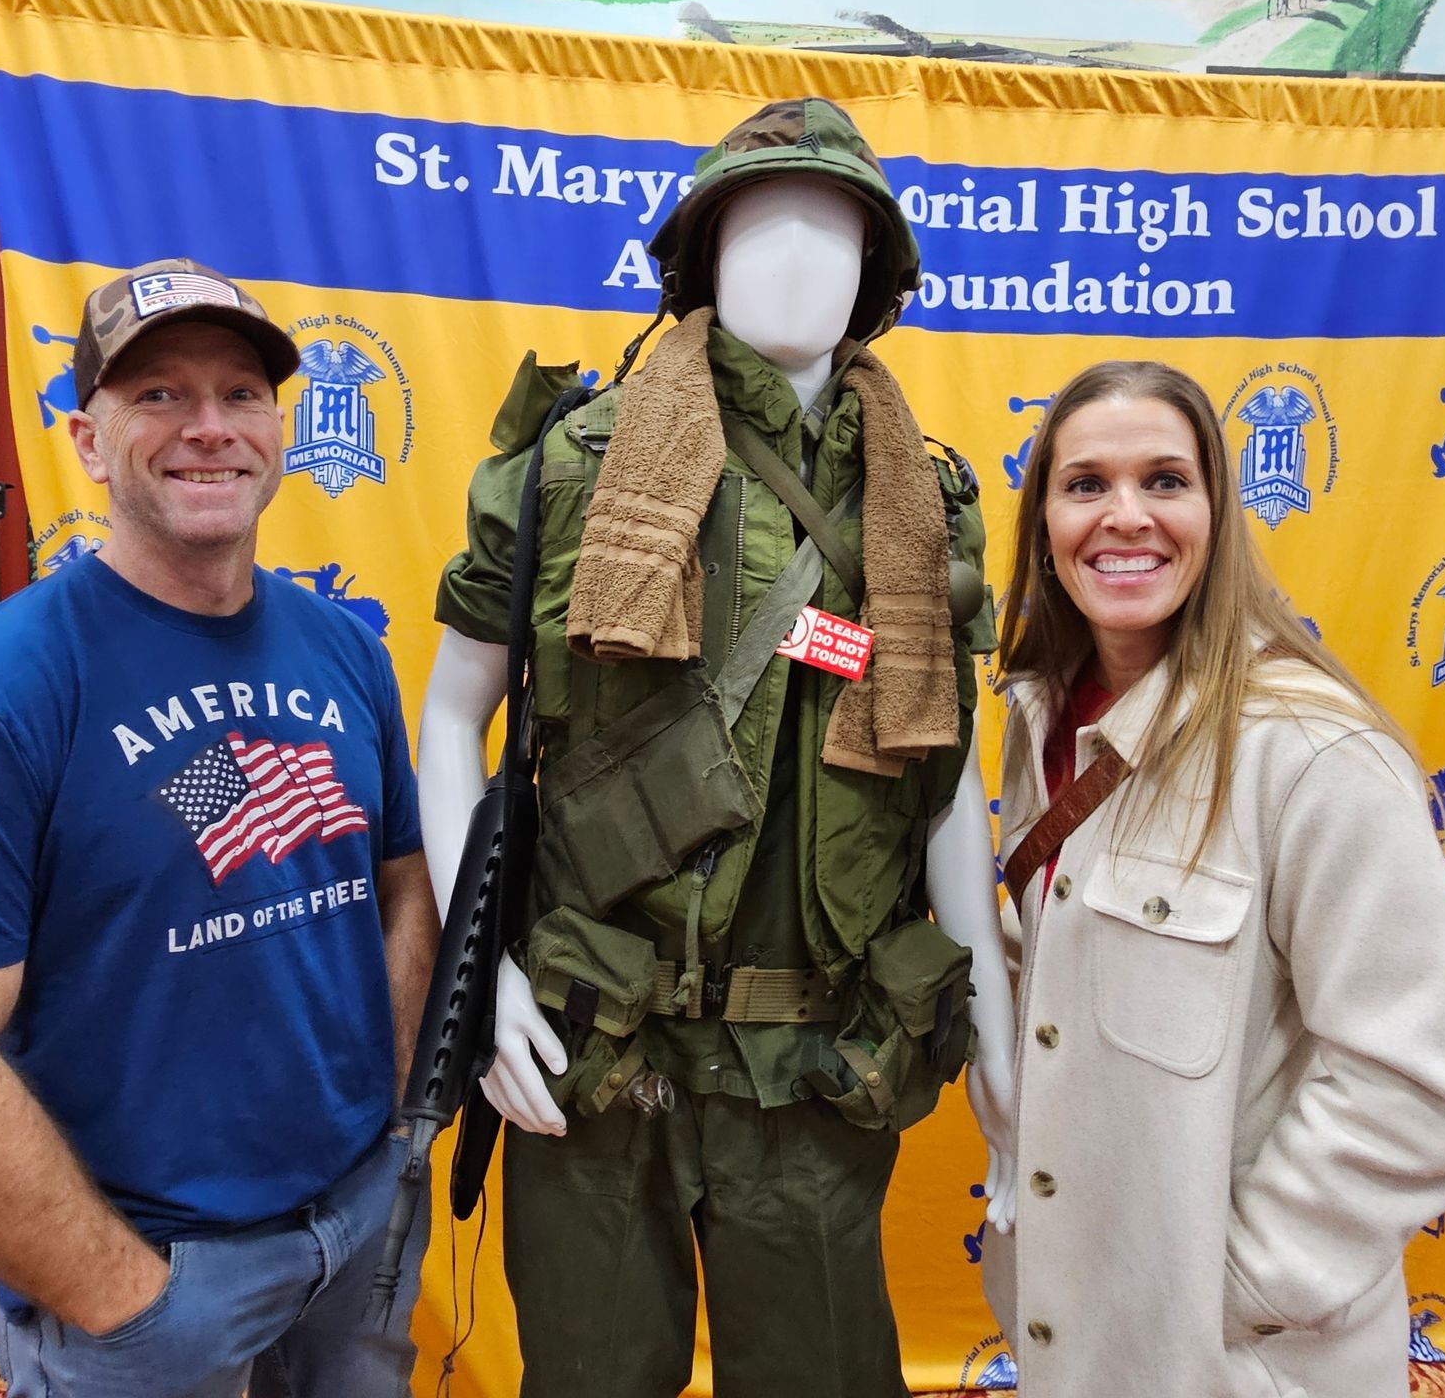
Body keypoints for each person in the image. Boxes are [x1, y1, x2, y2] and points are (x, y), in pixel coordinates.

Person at [421, 98, 1015, 1397]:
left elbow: (945, 775)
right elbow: (453, 713)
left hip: (813, 1071)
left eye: (834, 228)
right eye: (756, 226)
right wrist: (478, 987)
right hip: (591, 1047)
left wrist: (1004, 1044)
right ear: (698, 260)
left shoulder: (928, 504)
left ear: (879, 274)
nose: (795, 255)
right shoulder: (569, 467)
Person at [0, 258, 439, 1398]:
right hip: (151, 1279)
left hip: (359, 1231)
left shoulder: (345, 651)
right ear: (86, 440)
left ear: (278, 428)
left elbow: (401, 885)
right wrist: (125, 1302)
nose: (208, 428)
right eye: (158, 395)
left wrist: (389, 1133)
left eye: (240, 395)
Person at [986, 359, 1445, 1398]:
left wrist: (1232, 1287)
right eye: (1085, 484)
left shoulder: (1311, 754)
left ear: (1220, 513)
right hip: (1071, 1334)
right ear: (1044, 521)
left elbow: (1431, 1087)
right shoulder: (1035, 719)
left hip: (1238, 1361)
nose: (1124, 516)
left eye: (1166, 481)